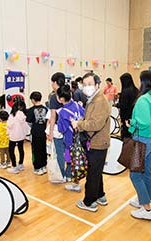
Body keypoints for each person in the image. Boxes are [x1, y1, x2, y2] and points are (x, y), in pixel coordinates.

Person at [125, 70, 151, 220]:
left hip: (141, 141)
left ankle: (146, 209)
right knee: (146, 172)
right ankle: (144, 199)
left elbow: (144, 122)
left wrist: (131, 122)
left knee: (135, 174)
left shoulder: (143, 100)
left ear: (144, 82)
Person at [71, 72, 110, 212]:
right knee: (97, 170)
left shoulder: (99, 101)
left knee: (93, 172)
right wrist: (80, 122)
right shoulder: (93, 98)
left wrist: (79, 124)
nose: (86, 87)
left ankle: (89, 202)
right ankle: (100, 196)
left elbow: (95, 124)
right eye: (85, 84)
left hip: (97, 142)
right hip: (95, 141)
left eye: (90, 84)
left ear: (97, 85)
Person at [57, 85, 85, 192]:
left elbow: (61, 129)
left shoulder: (62, 112)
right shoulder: (77, 105)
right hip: (81, 137)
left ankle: (75, 184)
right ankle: (75, 182)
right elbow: (84, 115)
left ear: (61, 99)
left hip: (70, 140)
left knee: (73, 162)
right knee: (79, 160)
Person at [47, 72, 67, 182]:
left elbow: (53, 117)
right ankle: (69, 174)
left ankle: (62, 175)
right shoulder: (69, 94)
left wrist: (50, 133)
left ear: (55, 82)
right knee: (68, 152)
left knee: (59, 153)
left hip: (59, 129)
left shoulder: (54, 98)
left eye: (52, 82)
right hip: (69, 129)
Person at [26, 91, 49, 175]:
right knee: (43, 149)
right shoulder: (46, 109)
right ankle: (43, 166)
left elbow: (28, 122)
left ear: (32, 100)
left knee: (36, 150)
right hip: (44, 132)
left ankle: (37, 167)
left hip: (35, 133)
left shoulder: (31, 110)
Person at [6, 97, 29, 174]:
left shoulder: (12, 115)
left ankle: (14, 166)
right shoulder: (23, 114)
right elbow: (25, 125)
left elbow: (9, 125)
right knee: (21, 149)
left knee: (11, 150)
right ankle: (21, 164)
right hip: (21, 135)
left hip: (13, 136)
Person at [118, 73, 139, 139]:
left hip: (126, 117)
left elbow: (123, 105)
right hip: (134, 117)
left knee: (125, 137)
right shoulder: (136, 90)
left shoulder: (125, 91)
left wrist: (117, 105)